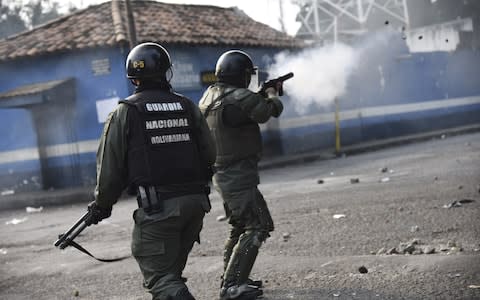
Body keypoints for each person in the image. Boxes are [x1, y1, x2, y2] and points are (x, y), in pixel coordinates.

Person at [84, 42, 216, 300]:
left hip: (159, 210)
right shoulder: (187, 106)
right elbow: (210, 154)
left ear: (133, 79)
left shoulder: (125, 112)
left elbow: (110, 168)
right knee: (171, 276)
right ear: (167, 71)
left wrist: (102, 203)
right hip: (196, 204)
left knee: (162, 281)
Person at [198, 50, 284, 300]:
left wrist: (258, 95)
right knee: (259, 224)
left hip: (223, 175)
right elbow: (270, 111)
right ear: (242, 75)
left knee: (239, 227)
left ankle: (233, 277)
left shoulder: (211, 95)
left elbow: (239, 109)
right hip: (238, 176)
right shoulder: (240, 97)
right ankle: (233, 285)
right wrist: (271, 93)